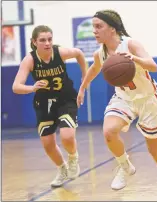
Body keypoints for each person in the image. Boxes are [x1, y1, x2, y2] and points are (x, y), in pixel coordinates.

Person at [77, 10, 157, 196]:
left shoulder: (130, 44)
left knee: (155, 151)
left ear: (112, 29)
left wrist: (136, 59)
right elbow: (94, 68)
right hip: (124, 98)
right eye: (93, 27)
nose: (94, 31)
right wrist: (83, 87)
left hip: (148, 100)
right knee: (108, 131)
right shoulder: (101, 53)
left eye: (99, 26)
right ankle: (124, 166)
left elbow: (153, 66)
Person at [12, 25, 87, 187]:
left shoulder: (59, 53)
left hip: (66, 99)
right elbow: (16, 86)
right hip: (44, 103)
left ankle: (73, 158)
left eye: (50, 39)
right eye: (42, 40)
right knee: (47, 143)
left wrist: (84, 80)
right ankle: (62, 169)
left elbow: (79, 53)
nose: (47, 43)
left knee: (67, 136)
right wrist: (32, 88)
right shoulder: (30, 60)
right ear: (34, 42)